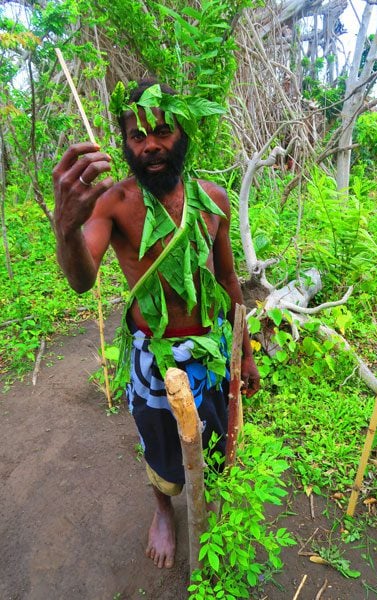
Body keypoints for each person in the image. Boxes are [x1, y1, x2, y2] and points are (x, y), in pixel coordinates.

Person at [53, 79, 260, 569]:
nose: (150, 145)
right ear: (125, 145)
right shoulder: (114, 203)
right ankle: (164, 509)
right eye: (136, 136)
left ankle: (207, 498)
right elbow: (83, 279)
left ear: (181, 131)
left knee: (213, 433)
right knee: (157, 438)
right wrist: (66, 226)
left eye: (162, 130)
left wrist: (245, 352)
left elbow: (229, 279)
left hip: (211, 349)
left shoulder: (212, 200)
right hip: (153, 357)